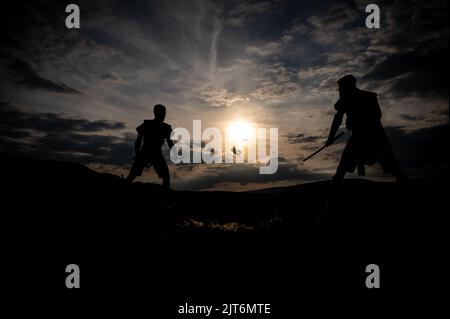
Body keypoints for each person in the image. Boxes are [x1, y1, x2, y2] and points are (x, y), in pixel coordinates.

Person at [325, 75, 408, 184]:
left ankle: (333, 196)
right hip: (369, 136)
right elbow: (338, 119)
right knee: (342, 168)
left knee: (392, 165)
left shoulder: (364, 97)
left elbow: (376, 116)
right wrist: (331, 137)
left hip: (374, 136)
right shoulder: (353, 98)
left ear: (347, 87)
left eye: (341, 88)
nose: (339, 90)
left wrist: (332, 136)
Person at [126, 104, 174, 188]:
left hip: (156, 153)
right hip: (145, 152)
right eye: (162, 112)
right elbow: (138, 140)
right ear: (156, 113)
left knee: (166, 177)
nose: (164, 115)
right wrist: (137, 154)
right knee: (132, 175)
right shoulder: (147, 124)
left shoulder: (166, 127)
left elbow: (170, 142)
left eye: (164, 113)